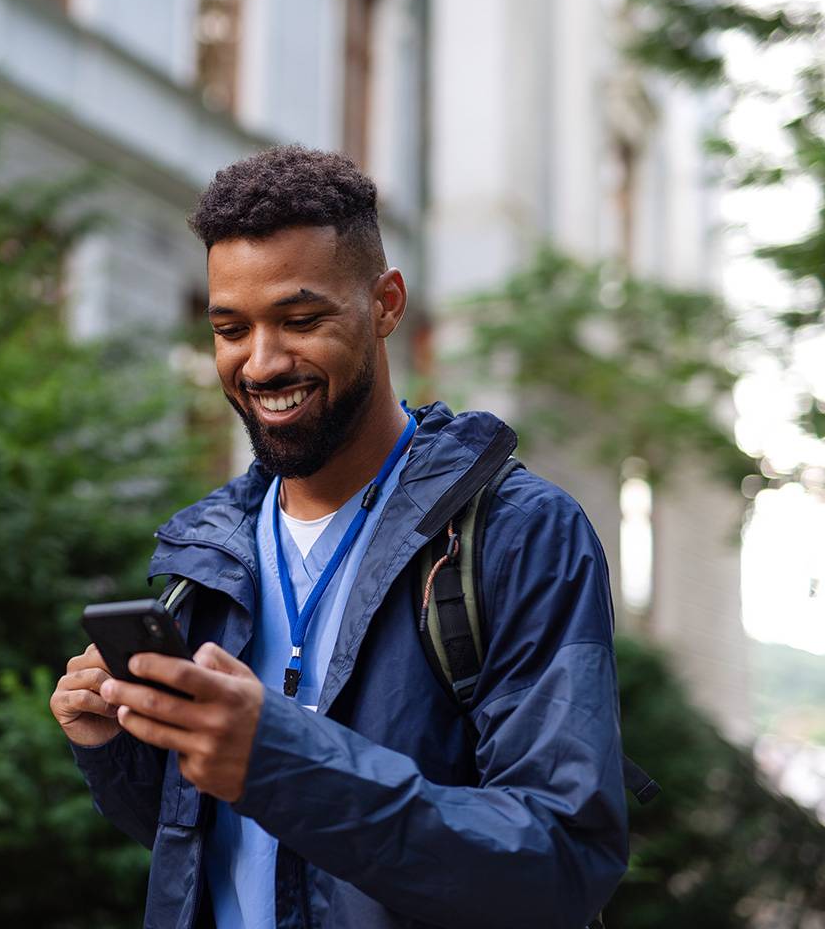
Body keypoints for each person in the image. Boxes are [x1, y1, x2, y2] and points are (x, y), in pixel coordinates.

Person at [49, 145, 629, 929]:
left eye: (301, 319)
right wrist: (115, 747)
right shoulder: (209, 553)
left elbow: (560, 863)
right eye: (230, 328)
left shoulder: (519, 534)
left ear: (386, 303)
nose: (261, 362)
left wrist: (281, 761)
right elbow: (207, 844)